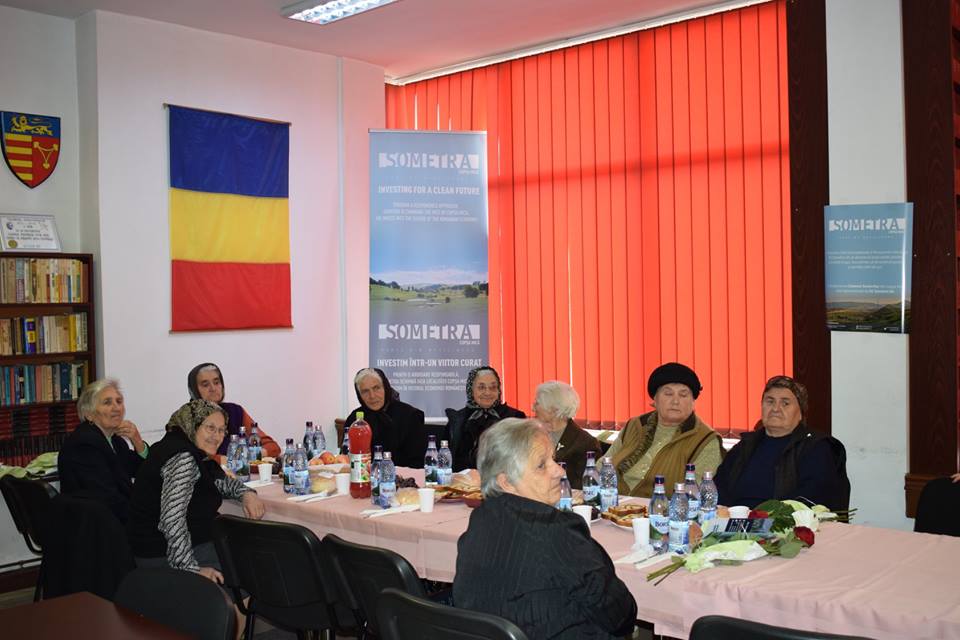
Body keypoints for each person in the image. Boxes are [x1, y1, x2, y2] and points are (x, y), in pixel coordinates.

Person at [453, 418, 636, 639]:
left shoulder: (480, 520)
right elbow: (619, 615)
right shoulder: (556, 531)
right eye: (541, 465)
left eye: (553, 459)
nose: (559, 471)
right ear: (506, 482)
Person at [127, 399, 265, 583]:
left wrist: (246, 493)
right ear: (192, 424)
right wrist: (191, 569)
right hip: (162, 554)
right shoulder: (182, 457)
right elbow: (171, 519)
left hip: (160, 547)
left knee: (243, 551)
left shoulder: (177, 447)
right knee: (253, 563)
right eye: (210, 428)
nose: (217, 436)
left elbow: (216, 481)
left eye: (222, 430)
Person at [715, 375, 850, 510]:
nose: (775, 409)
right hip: (735, 519)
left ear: (801, 413)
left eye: (785, 403)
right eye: (770, 401)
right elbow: (718, 490)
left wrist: (764, 516)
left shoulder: (817, 448)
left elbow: (812, 500)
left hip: (783, 520)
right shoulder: (744, 446)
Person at [605, 362, 722, 497]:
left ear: (693, 401)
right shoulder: (635, 425)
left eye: (683, 395)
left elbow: (693, 496)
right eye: (668, 394)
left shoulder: (706, 440)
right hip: (612, 502)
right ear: (655, 399)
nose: (675, 401)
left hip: (661, 508)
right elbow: (603, 465)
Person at [58, 379, 148, 523]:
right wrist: (145, 517)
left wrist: (137, 441)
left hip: (112, 518)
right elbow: (108, 498)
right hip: (95, 525)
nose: (116, 408)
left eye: (119, 401)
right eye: (107, 402)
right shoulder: (84, 444)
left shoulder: (114, 439)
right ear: (89, 414)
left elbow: (142, 470)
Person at [187, 362, 280, 458]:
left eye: (216, 382)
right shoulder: (187, 419)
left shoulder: (235, 411)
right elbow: (197, 458)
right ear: (194, 390)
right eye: (205, 385)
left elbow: (272, 446)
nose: (213, 388)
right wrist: (233, 460)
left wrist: (249, 456)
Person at [446, 366, 526, 471]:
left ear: (499, 390)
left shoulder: (515, 418)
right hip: (462, 479)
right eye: (481, 387)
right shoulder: (457, 420)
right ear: (470, 390)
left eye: (493, 387)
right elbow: (444, 459)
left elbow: (523, 458)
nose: (488, 393)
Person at [343, 368, 426, 468]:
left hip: (403, 476)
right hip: (363, 475)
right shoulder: (355, 420)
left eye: (376, 388)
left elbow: (418, 463)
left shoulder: (410, 416)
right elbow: (346, 458)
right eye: (365, 391)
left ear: (385, 388)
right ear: (359, 395)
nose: (372, 396)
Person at [532, 380, 601, 489]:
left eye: (537, 403)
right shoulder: (532, 435)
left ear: (553, 409)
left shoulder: (586, 444)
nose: (532, 408)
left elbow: (581, 487)